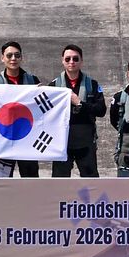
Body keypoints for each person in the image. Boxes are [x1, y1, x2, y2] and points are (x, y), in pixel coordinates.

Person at [51, 43, 106, 178]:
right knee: (59, 182)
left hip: (85, 140)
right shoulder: (53, 86)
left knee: (91, 181)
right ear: (62, 60)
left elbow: (101, 110)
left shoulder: (92, 84)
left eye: (75, 59)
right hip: (62, 141)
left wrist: (80, 103)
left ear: (81, 61)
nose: (71, 62)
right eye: (68, 59)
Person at [0, 40, 44, 177]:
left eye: (17, 55)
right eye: (9, 55)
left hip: (27, 140)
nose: (13, 59)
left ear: (21, 57)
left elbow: (42, 110)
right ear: (2, 58)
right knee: (2, 183)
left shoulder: (33, 81)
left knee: (31, 183)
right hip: (4, 140)